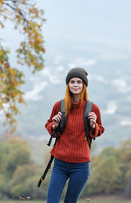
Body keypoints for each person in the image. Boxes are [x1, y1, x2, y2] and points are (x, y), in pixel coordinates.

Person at [44, 67, 105, 203]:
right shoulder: (59, 106)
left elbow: (100, 130)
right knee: (51, 201)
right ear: (68, 85)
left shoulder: (92, 108)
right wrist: (54, 125)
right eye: (72, 82)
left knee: (70, 201)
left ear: (84, 85)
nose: (75, 85)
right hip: (60, 163)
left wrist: (94, 125)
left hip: (81, 165)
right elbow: (49, 126)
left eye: (79, 82)